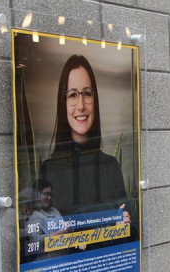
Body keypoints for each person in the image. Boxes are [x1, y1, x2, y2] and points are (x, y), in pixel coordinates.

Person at [42, 55, 128, 217]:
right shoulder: (48, 170)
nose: (81, 106)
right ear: (63, 102)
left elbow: (125, 227)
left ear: (94, 100)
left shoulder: (111, 166)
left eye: (87, 94)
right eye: (73, 95)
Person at [26, 179, 67, 259]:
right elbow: (35, 241)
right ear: (37, 195)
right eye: (46, 194)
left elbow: (65, 228)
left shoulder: (54, 211)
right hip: (47, 260)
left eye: (50, 195)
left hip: (62, 257)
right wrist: (56, 234)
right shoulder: (35, 217)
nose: (49, 197)